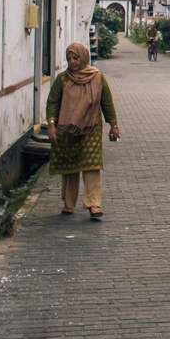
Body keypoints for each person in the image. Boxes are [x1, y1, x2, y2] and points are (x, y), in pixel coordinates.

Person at [45, 41, 119, 218]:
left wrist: (113, 125)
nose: (72, 62)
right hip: (67, 129)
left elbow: (106, 102)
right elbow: (53, 102)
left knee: (92, 165)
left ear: (83, 58)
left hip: (91, 128)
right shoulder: (63, 79)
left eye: (75, 58)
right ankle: (68, 203)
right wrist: (51, 124)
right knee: (70, 166)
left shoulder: (97, 77)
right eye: (69, 58)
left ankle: (94, 204)